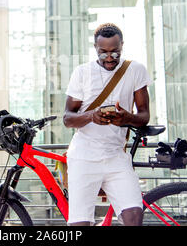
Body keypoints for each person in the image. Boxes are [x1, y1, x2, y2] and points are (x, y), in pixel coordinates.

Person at [63, 23, 151, 226]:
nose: (109, 57)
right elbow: (68, 118)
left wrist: (126, 118)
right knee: (80, 223)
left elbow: (144, 115)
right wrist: (91, 116)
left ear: (122, 47)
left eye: (115, 52)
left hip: (116, 157)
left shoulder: (135, 70)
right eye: (103, 53)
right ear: (95, 48)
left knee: (134, 217)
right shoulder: (82, 72)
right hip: (84, 157)